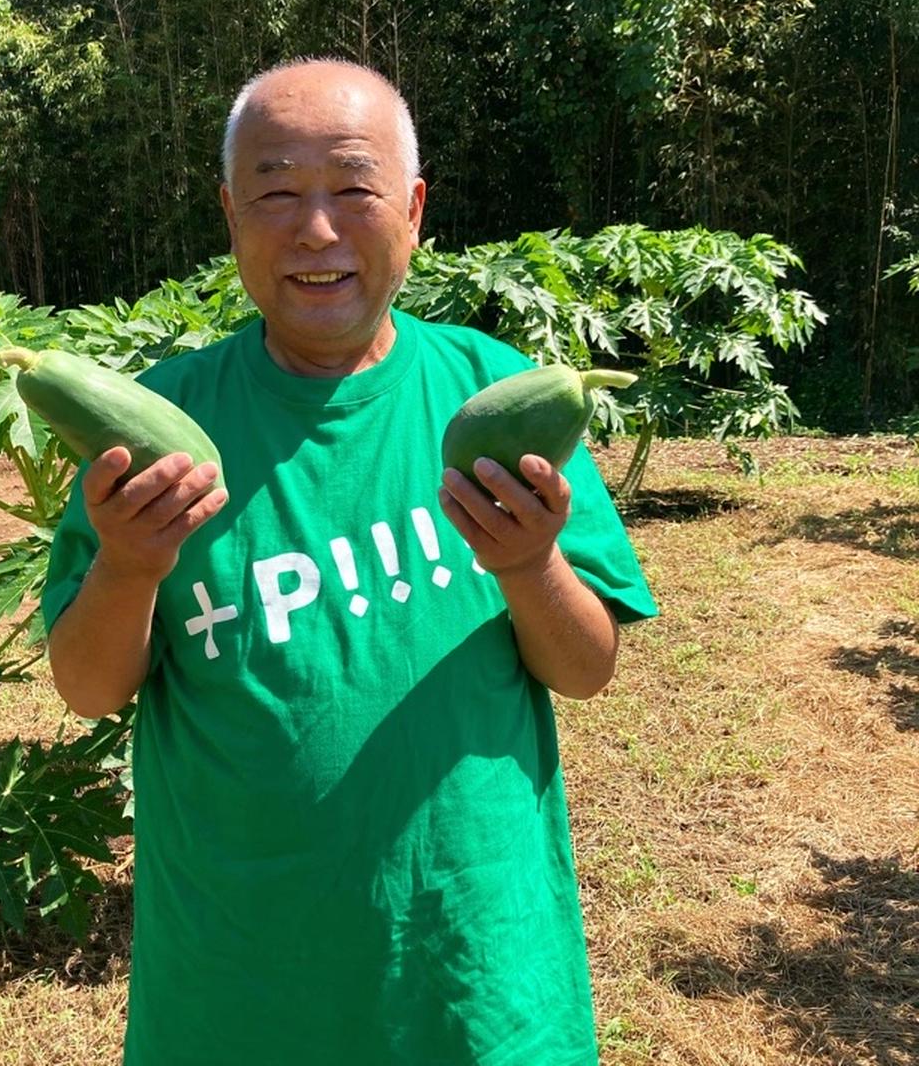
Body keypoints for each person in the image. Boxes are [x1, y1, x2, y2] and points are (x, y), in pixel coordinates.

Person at [41, 58, 658, 1065]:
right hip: (237, 993)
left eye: (355, 190)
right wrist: (126, 567)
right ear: (231, 213)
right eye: (276, 191)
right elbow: (86, 686)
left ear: (412, 211)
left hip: (475, 980)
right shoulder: (158, 431)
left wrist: (531, 563)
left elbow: (586, 670)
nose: (317, 231)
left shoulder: (497, 400)